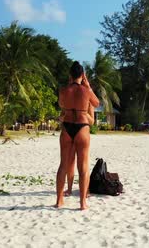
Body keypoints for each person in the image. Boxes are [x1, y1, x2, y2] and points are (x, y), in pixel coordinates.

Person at [56, 61, 99, 210]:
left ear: (70, 75)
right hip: (82, 127)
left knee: (63, 165)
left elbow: (62, 104)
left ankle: (59, 200)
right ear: (82, 75)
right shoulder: (86, 90)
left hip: (67, 126)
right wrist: (87, 86)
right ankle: (82, 203)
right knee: (83, 167)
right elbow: (96, 103)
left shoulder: (63, 90)